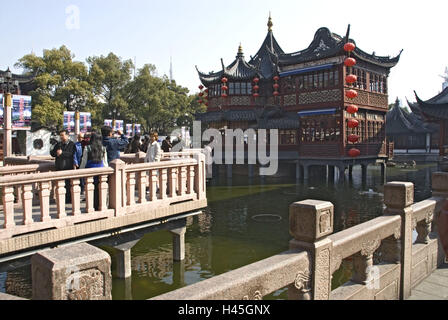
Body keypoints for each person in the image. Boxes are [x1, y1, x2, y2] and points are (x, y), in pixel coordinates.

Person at [80, 133, 108, 211]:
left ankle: (91, 206)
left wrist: (80, 170)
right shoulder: (103, 148)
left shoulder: (87, 148)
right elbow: (105, 162)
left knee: (90, 188)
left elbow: (84, 160)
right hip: (100, 169)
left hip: (90, 169)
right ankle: (100, 204)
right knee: (100, 188)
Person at [50, 130, 76, 204]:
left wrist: (62, 153)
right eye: (60, 135)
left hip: (68, 167)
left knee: (68, 185)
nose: (61, 137)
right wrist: (54, 149)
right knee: (60, 185)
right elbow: (52, 153)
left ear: (67, 135)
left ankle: (69, 200)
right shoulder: (58, 144)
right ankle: (61, 199)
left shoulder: (72, 144)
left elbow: (71, 154)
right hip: (59, 167)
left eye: (62, 135)